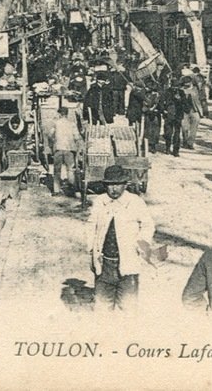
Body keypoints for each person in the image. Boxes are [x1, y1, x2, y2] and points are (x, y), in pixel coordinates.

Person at [86, 165, 155, 311]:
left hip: (128, 262)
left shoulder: (135, 202)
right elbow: (91, 225)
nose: (114, 189)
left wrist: (140, 245)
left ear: (125, 184)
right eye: (110, 185)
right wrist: (92, 249)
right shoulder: (100, 201)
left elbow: (148, 225)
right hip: (104, 263)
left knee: (128, 307)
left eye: (118, 184)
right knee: (103, 307)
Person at [48, 107, 81, 195]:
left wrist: (53, 142)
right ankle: (72, 188)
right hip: (69, 149)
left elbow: (50, 135)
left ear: (60, 114)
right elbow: (77, 137)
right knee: (70, 169)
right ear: (67, 114)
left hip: (58, 148)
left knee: (57, 170)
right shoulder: (72, 124)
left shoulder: (56, 123)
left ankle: (56, 190)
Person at [161, 79, 187, 157]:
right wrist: (163, 110)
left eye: (177, 86)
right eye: (174, 86)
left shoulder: (181, 93)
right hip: (169, 115)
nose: (175, 88)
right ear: (171, 85)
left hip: (178, 115)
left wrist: (180, 100)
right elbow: (161, 102)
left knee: (177, 134)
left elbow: (185, 104)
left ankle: (176, 150)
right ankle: (167, 147)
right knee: (168, 133)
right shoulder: (166, 92)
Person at [143, 87, 162, 153]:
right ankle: (147, 144)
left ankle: (152, 145)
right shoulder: (146, 96)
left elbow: (161, 106)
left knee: (155, 131)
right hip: (149, 115)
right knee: (148, 130)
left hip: (156, 115)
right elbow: (144, 106)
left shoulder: (159, 96)